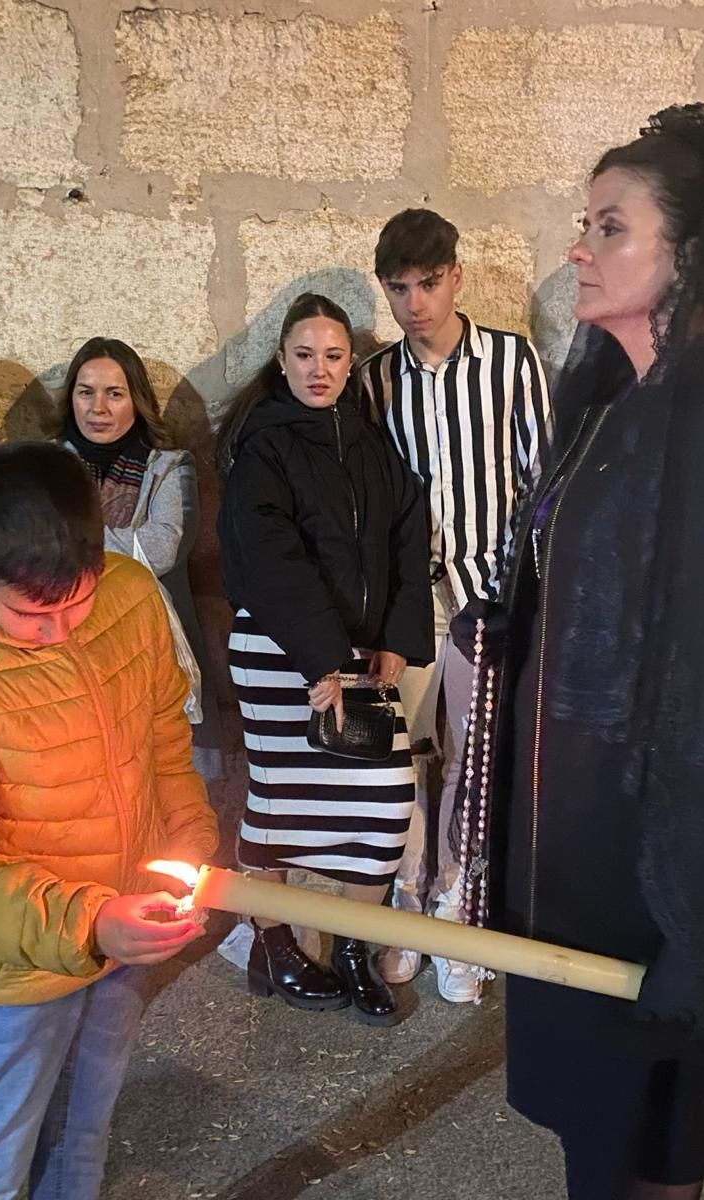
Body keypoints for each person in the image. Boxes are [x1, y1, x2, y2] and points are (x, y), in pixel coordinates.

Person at [463, 55, 704, 1197]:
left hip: (641, 869)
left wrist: (700, 924)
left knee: (636, 1134)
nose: (579, 248)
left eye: (610, 227)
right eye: (584, 223)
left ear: (689, 252)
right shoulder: (613, 396)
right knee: (605, 1135)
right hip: (570, 844)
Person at [0, 441, 218, 1199]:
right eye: (32, 615)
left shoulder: (129, 595)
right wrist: (90, 923)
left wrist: (189, 844)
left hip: (126, 932)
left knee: (80, 1133)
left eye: (77, 603)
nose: (61, 632)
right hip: (15, 967)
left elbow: (165, 740)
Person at [216, 292, 433, 1025]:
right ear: (282, 362)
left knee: (385, 801)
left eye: (334, 356)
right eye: (304, 355)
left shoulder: (371, 443)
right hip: (285, 657)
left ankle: (350, 948)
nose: (320, 369)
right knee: (276, 803)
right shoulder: (264, 447)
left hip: (357, 660)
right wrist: (322, 661)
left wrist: (399, 637)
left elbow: (410, 534)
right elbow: (273, 562)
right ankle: (273, 942)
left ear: (351, 364)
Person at [360, 208, 550, 1003]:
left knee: (474, 766)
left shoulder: (512, 361)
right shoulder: (375, 378)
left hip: (485, 597)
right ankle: (411, 908)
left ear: (457, 277)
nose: (415, 304)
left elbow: (543, 483)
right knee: (402, 760)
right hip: (408, 604)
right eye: (399, 288)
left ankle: (457, 916)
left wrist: (515, 591)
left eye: (428, 283)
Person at [53, 336, 218, 777]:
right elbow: (34, 549)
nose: (98, 408)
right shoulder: (44, 467)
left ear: (137, 400)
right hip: (63, 651)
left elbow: (160, 550)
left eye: (114, 393)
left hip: (149, 648)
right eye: (86, 392)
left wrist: (69, 542)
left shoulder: (170, 466)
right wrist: (120, 541)